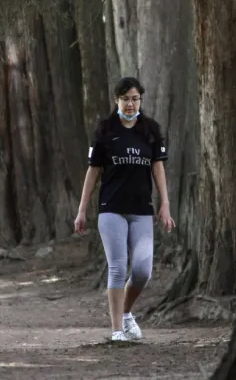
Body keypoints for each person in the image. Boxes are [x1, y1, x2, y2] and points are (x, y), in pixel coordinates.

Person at [74, 77, 175, 342]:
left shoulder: (150, 130)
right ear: (116, 100)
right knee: (118, 268)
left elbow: (158, 168)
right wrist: (82, 209)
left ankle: (127, 313)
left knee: (142, 270)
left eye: (135, 99)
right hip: (112, 209)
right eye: (125, 99)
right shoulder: (105, 131)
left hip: (142, 210)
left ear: (140, 100)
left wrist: (165, 204)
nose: (130, 104)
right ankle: (117, 329)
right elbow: (93, 172)